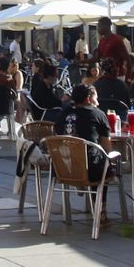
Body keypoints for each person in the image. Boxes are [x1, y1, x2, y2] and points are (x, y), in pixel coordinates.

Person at [52, 83, 116, 223]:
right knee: (103, 163)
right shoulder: (98, 114)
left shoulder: (63, 114)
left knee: (91, 159)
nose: (97, 102)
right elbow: (107, 147)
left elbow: (57, 134)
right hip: (89, 170)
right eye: (95, 98)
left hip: (62, 168)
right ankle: (101, 211)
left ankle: (80, 187)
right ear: (88, 99)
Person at [0, 55, 23, 131]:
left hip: (14, 97)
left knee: (18, 103)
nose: (14, 67)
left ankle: (16, 125)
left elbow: (18, 88)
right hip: (5, 101)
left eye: (16, 65)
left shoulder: (17, 74)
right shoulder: (4, 75)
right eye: (12, 65)